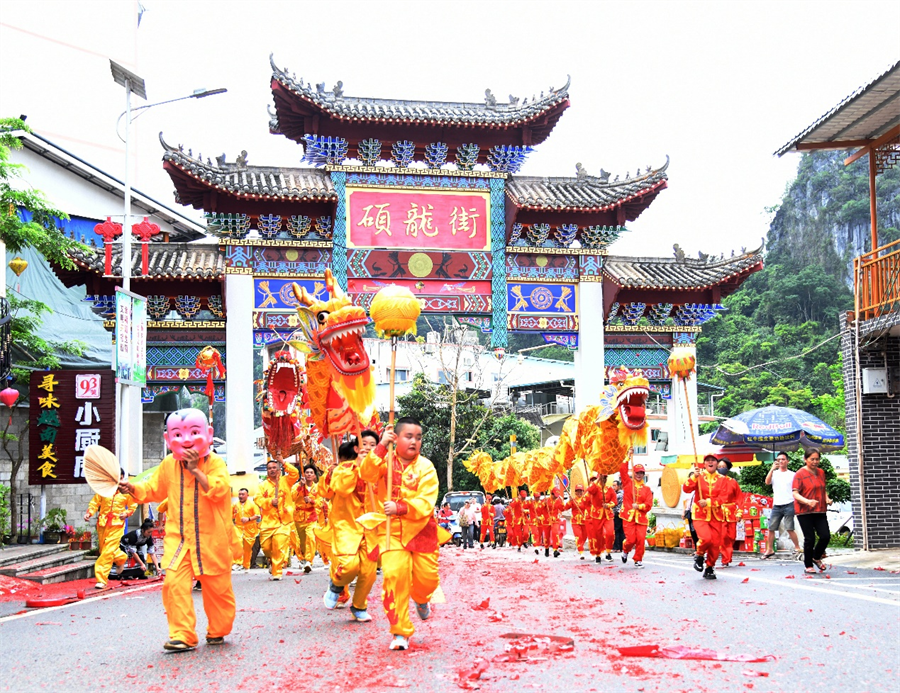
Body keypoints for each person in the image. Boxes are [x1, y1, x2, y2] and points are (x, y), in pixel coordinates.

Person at [119, 408, 236, 652]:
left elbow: (219, 491)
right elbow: (152, 489)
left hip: (211, 539)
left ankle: (218, 629)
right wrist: (132, 488)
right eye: (178, 434)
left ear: (208, 433)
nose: (186, 440)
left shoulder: (215, 463)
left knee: (218, 591)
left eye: (194, 432)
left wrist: (195, 470)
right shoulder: (168, 465)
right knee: (173, 584)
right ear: (167, 439)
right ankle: (183, 634)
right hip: (179, 538)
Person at [360, 418, 440, 651]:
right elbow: (366, 474)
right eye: (409, 436)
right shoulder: (383, 459)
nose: (415, 441)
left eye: (418, 437)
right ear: (396, 437)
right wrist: (381, 446)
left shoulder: (426, 467)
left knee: (428, 581)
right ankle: (399, 631)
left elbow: (426, 501)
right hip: (390, 532)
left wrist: (401, 507)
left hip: (421, 532)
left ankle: (422, 598)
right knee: (394, 576)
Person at [322, 440, 378, 622]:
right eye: (366, 444)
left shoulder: (379, 468)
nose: (369, 447)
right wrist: (357, 467)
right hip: (347, 526)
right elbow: (342, 488)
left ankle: (359, 606)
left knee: (369, 572)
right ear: (357, 449)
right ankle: (336, 584)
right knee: (348, 567)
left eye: (374, 444)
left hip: (370, 527)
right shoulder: (342, 469)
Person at [84, 470, 136, 589]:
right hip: (103, 524)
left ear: (122, 477)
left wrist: (127, 513)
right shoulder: (104, 489)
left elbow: (133, 505)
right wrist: (89, 513)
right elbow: (95, 503)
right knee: (104, 550)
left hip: (117, 524)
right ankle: (121, 557)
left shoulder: (126, 491)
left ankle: (101, 579)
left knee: (107, 552)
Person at [682, 454, 728, 580]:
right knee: (706, 538)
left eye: (713, 460)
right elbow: (686, 489)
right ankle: (699, 554)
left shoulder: (723, 479)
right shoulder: (698, 476)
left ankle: (709, 568)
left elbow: (724, 498)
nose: (710, 462)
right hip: (700, 514)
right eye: (708, 460)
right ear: (704, 463)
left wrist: (708, 502)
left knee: (715, 545)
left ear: (717, 463)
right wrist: (693, 477)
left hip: (716, 515)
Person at [254, 453, 299, 581]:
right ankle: (271, 561)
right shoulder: (263, 485)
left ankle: (277, 572)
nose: (272, 470)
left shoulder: (285, 480)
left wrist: (283, 461)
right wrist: (269, 502)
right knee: (267, 547)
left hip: (284, 522)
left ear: (279, 469)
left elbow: (295, 473)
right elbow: (257, 498)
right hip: (268, 522)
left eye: (274, 467)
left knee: (279, 546)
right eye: (269, 468)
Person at [792, 449, 832, 574]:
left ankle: (816, 556)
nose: (815, 462)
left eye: (817, 459)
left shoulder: (821, 472)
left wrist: (827, 498)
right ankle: (808, 564)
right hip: (804, 511)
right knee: (810, 538)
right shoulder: (799, 474)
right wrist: (807, 501)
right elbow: (795, 493)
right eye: (812, 459)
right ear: (805, 459)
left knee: (825, 536)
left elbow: (822, 488)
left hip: (820, 509)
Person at [762, 452, 801, 559]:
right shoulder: (774, 474)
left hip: (789, 503)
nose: (781, 461)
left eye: (783, 459)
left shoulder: (793, 474)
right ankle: (769, 549)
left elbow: (797, 488)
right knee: (771, 528)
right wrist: (771, 469)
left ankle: (797, 547)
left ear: (787, 461)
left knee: (789, 527)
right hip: (777, 504)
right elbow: (767, 482)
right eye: (778, 460)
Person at [619, 462, 653, 568]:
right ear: (633, 473)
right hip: (628, 517)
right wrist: (627, 457)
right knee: (631, 540)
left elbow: (649, 504)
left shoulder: (647, 489)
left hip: (641, 518)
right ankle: (625, 550)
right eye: (637, 472)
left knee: (641, 539)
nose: (639, 475)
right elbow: (622, 471)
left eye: (641, 473)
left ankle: (638, 559)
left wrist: (639, 506)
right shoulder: (628, 483)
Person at [292, 464, 320, 573]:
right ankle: (303, 557)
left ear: (314, 476)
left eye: (311, 473)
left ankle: (309, 561)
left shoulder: (317, 488)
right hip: (298, 517)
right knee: (302, 541)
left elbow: (320, 502)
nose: (309, 474)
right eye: (307, 472)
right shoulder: (296, 486)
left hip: (311, 517)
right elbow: (292, 497)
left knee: (311, 537)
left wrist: (311, 501)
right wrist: (300, 486)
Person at [717, 458, 743, 568]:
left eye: (723, 467)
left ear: (727, 468)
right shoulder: (713, 482)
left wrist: (739, 513)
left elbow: (739, 498)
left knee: (731, 536)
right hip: (718, 512)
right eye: (719, 467)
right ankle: (725, 558)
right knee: (722, 536)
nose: (721, 469)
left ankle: (728, 556)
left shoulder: (733, 482)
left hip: (731, 512)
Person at [588, 474, 616, 562]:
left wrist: (608, 505)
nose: (604, 479)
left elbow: (614, 501)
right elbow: (589, 490)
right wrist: (597, 481)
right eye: (602, 477)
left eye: (605, 478)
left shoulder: (610, 489)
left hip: (608, 514)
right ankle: (598, 554)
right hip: (597, 515)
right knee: (598, 535)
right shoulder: (595, 487)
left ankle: (608, 551)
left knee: (610, 533)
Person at [232, 487, 261, 572]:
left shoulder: (252, 505)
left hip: (250, 529)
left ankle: (246, 565)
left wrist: (248, 519)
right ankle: (237, 562)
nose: (240, 496)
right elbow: (230, 515)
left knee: (248, 549)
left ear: (247, 495)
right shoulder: (235, 505)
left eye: (242, 494)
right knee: (238, 543)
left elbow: (257, 515)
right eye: (239, 494)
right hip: (238, 528)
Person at [566, 485, 589, 558]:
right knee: (578, 536)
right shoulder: (573, 500)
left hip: (584, 521)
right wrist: (569, 501)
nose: (579, 492)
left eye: (581, 491)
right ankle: (581, 551)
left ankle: (579, 547)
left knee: (584, 537)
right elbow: (565, 507)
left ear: (583, 491)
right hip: (575, 521)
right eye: (577, 491)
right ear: (575, 492)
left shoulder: (586, 500)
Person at [612, 480, 625, 552]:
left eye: (615, 485)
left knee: (616, 531)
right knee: (620, 531)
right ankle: (621, 547)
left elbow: (613, 501)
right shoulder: (620, 493)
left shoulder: (619, 495)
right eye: (613, 485)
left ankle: (616, 547)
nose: (613, 487)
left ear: (619, 486)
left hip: (617, 514)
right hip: (620, 514)